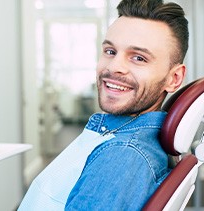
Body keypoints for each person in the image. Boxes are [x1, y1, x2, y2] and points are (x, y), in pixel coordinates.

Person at [18, 0, 189, 210]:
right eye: (110, 51)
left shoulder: (122, 156)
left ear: (174, 78)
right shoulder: (119, 138)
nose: (114, 67)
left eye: (138, 58)